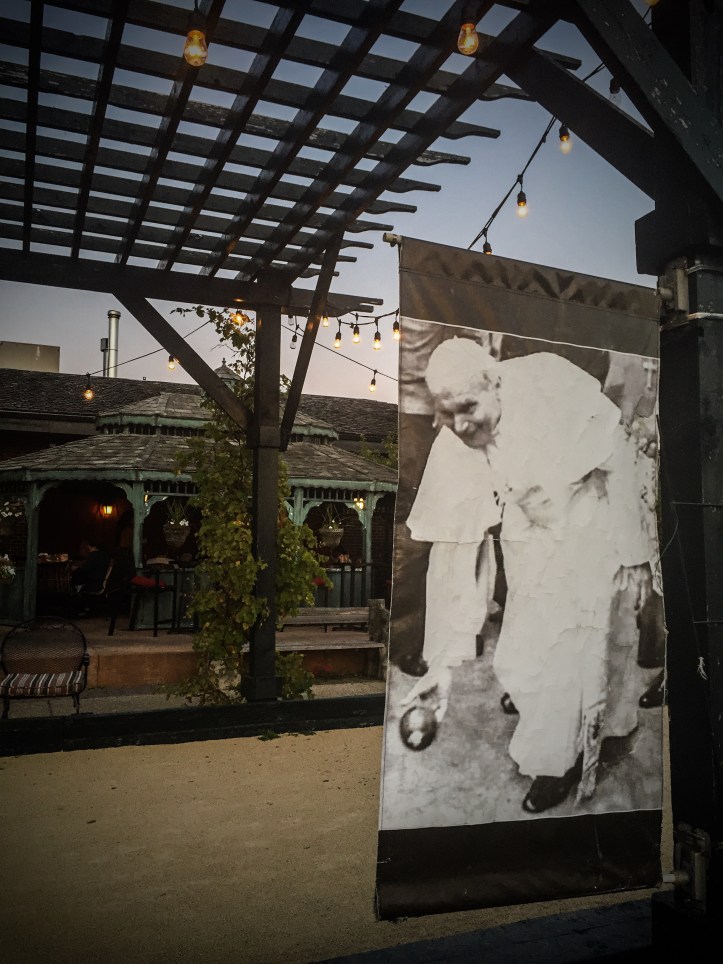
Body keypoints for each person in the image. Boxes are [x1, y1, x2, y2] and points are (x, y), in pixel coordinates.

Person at [401, 336, 654, 814]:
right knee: (523, 650)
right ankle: (557, 716)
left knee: (579, 649)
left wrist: (634, 552)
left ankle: (556, 763)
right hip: (529, 535)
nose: (461, 425)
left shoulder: (551, 382)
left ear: (495, 382)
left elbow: (615, 456)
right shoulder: (455, 440)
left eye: (469, 407)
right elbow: (455, 556)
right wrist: (443, 666)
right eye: (448, 414)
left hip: (592, 523)